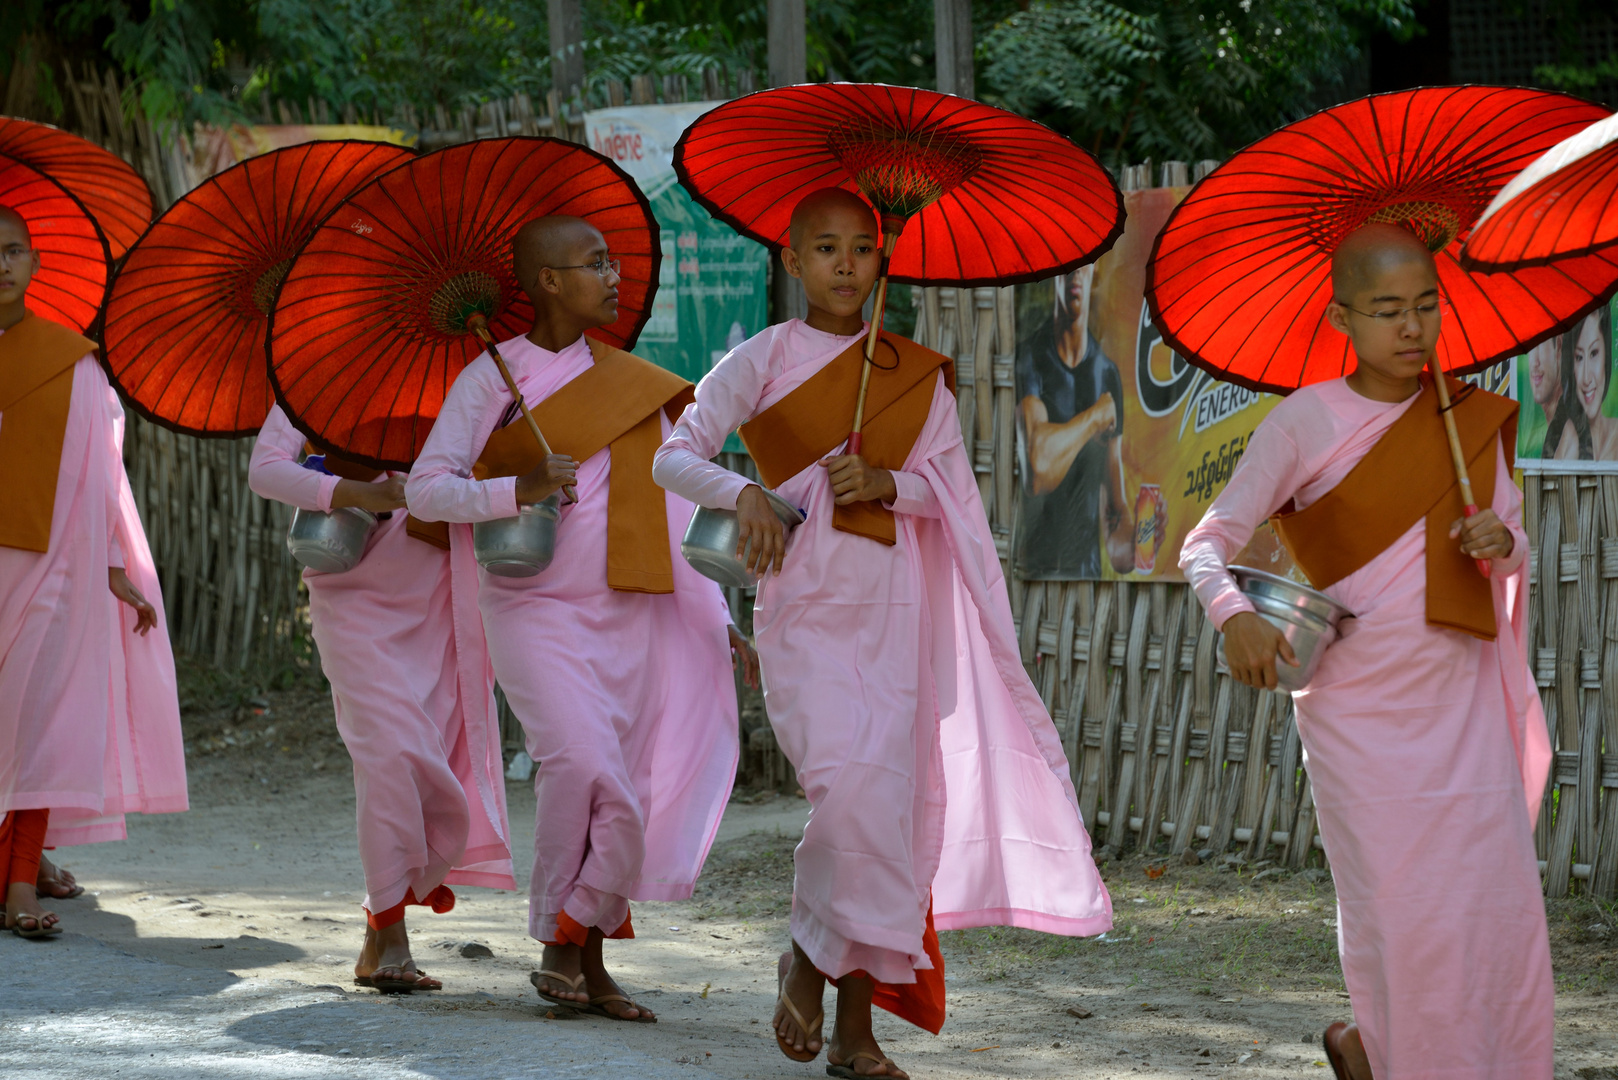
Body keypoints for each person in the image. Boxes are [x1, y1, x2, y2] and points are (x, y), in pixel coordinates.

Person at [653, 188, 1113, 1079]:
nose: (845, 264)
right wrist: (744, 492)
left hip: (895, 609)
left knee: (890, 813)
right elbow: (675, 454)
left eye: (862, 248)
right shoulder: (761, 357)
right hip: (804, 607)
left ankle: (855, 1027)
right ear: (792, 262)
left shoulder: (911, 372)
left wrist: (887, 485)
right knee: (851, 794)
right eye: (824, 248)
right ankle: (806, 949)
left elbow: (955, 496)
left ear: (881, 261)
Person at [1179, 222, 1552, 1080]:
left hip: (1459, 701)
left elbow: (1514, 545)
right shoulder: (1305, 420)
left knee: (1490, 912)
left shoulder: (1470, 419)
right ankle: (1391, 1052)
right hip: (1356, 711)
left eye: (1426, 305)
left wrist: (1502, 540)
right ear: (1341, 315)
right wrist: (1233, 613)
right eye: (1387, 310)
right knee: (1402, 913)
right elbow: (1207, 542)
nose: (1411, 327)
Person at [407, 215, 754, 1022]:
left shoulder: (633, 384)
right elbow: (425, 489)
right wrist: (515, 490)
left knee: (623, 786)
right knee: (583, 765)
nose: (614, 274)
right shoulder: (491, 381)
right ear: (547, 282)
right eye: (594, 263)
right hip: (533, 606)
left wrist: (721, 616)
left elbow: (675, 517)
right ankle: (558, 935)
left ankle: (587, 958)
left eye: (614, 261)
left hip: (634, 612)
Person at [248, 406, 515, 992]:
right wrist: (360, 493)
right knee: (391, 754)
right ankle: (392, 934)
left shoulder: (474, 375)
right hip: (351, 588)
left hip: (442, 592)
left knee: (426, 756)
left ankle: (380, 922)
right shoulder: (319, 371)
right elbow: (265, 471)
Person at [0, 205, 187, 938]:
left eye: (13, 249)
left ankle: (19, 885)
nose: (2, 263)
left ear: (36, 262)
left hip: (51, 571)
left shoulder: (69, 360)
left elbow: (99, 476)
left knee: (40, 721)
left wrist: (111, 564)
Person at [1013, 263, 1134, 578]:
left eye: (1084, 265)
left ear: (1094, 273)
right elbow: (1037, 469)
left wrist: (1144, 537)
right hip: (1033, 577)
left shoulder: (1107, 373)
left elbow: (1116, 521)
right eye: (1066, 265)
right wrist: (1094, 417)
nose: (1074, 274)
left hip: (1088, 579)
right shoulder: (1030, 358)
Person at [1558, 308, 1616, 461]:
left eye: (1594, 353)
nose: (1586, 378)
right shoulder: (1568, 436)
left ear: (1606, 354)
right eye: (1579, 357)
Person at [1524, 332, 1578, 459]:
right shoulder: (1555, 429)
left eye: (1540, 345)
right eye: (1531, 348)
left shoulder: (1569, 437)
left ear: (1558, 347)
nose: (1534, 363)